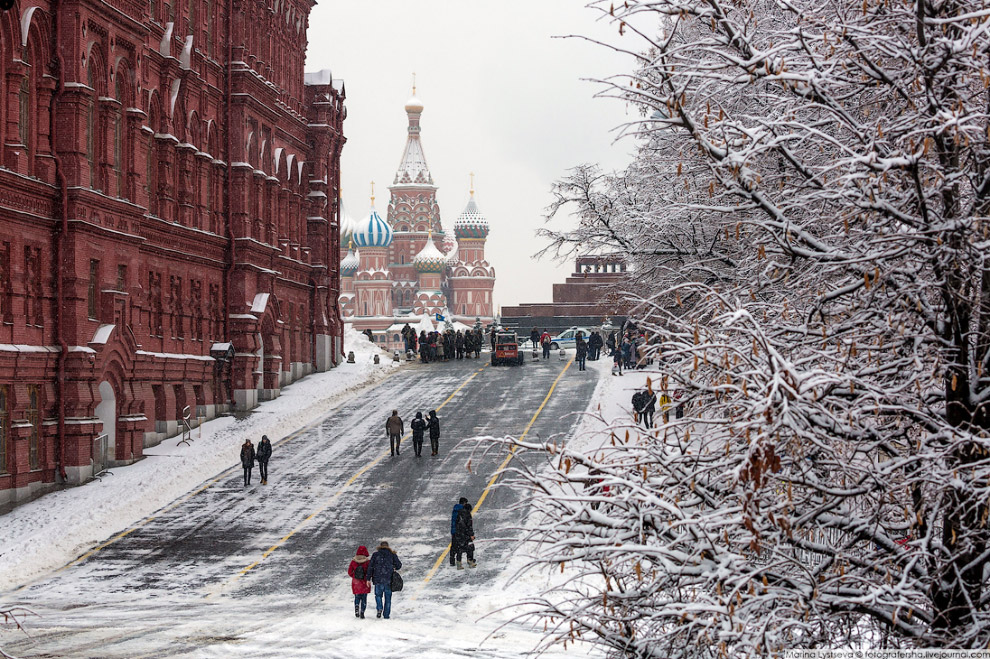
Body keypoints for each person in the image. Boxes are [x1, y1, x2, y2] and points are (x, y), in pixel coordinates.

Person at [368, 541, 402, 619]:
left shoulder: (375, 555)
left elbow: (370, 567)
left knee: (378, 596)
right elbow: (399, 565)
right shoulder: (392, 555)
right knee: (388, 598)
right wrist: (393, 567)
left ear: (380, 547)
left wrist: (368, 578)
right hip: (389, 580)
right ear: (388, 546)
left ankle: (379, 608)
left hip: (378, 579)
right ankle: (386, 615)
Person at [347, 545, 372, 618]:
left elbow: (349, 572)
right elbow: (370, 572)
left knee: (357, 597)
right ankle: (362, 612)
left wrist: (355, 576)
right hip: (364, 582)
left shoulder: (353, 561)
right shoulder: (367, 562)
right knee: (364, 598)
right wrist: (367, 578)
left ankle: (357, 606)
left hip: (356, 582)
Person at [453, 501, 477, 569]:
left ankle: (459, 563)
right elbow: (469, 526)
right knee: (470, 548)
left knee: (460, 549)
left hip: (459, 534)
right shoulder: (468, 515)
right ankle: (470, 562)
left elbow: (457, 524)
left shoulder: (459, 514)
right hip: (466, 535)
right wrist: (471, 535)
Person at [449, 497, 467, 566]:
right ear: (464, 503)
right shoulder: (462, 511)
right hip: (459, 531)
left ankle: (452, 560)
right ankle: (458, 561)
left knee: (453, 546)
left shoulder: (455, 510)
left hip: (454, 531)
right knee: (460, 546)